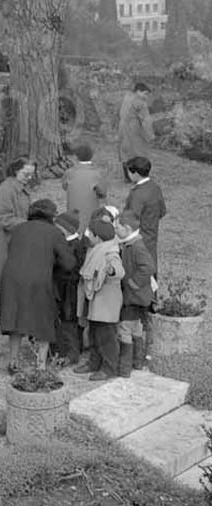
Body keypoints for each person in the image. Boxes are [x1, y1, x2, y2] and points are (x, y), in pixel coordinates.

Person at [0, 199, 76, 372]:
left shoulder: (18, 229)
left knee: (15, 320)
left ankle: (13, 362)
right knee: (43, 322)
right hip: (39, 280)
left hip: (11, 279)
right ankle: (40, 366)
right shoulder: (55, 233)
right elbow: (69, 263)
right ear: (51, 215)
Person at [75, 219, 125, 380]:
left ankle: (109, 368)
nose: (88, 236)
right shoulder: (96, 249)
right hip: (96, 301)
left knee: (106, 338)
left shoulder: (110, 252)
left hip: (106, 303)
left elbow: (119, 270)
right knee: (94, 335)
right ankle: (94, 362)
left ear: (98, 237)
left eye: (91, 233)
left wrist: (111, 270)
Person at [115, 210, 157, 376]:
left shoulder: (136, 246)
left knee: (125, 328)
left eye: (117, 227)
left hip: (134, 296)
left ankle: (125, 367)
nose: (115, 229)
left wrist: (133, 282)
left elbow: (148, 267)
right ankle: (137, 362)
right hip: (137, 297)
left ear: (127, 228)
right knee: (136, 328)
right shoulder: (130, 244)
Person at [0, 158, 35, 291]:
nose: (29, 178)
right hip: (6, 240)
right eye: (26, 174)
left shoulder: (20, 185)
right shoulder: (6, 189)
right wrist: (29, 224)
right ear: (16, 170)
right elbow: (3, 218)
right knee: (7, 282)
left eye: (32, 174)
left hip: (17, 237)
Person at [51, 212, 87, 365]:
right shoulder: (74, 244)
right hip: (67, 289)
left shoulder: (73, 246)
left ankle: (71, 353)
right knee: (68, 321)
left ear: (65, 229)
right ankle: (70, 350)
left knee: (68, 322)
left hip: (68, 290)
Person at [123, 156, 167, 274]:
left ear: (136, 173)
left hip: (138, 238)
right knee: (150, 266)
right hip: (151, 235)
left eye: (129, 172)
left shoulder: (137, 194)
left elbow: (130, 220)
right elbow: (162, 211)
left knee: (137, 269)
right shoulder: (155, 187)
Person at [61, 143, 108, 235]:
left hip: (73, 214)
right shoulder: (97, 173)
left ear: (76, 157)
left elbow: (64, 187)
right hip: (90, 213)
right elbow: (103, 193)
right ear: (92, 156)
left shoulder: (69, 172)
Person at [117, 82, 154, 180]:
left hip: (122, 127)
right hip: (134, 129)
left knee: (125, 152)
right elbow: (146, 121)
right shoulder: (140, 103)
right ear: (138, 91)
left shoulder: (127, 98)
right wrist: (150, 135)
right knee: (139, 152)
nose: (146, 97)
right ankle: (139, 175)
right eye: (145, 94)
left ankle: (127, 176)